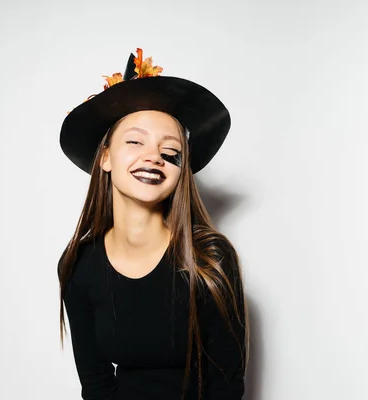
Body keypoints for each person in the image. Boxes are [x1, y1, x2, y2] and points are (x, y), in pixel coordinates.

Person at [57, 47, 249, 400]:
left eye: (171, 152)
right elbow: (96, 386)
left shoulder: (210, 257)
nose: (154, 157)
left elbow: (227, 386)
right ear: (105, 157)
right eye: (135, 141)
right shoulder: (78, 264)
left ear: (181, 171)